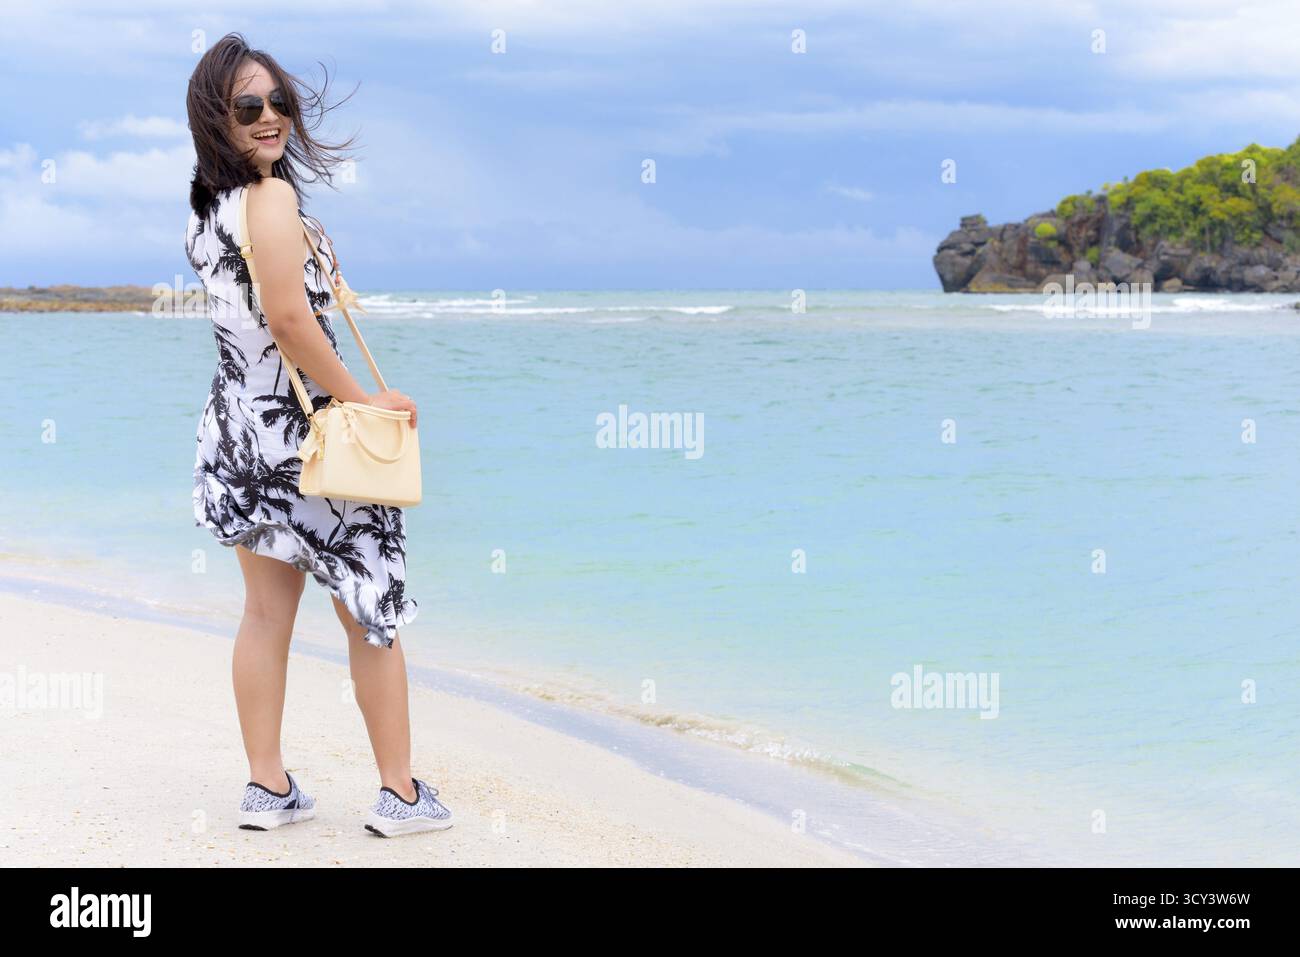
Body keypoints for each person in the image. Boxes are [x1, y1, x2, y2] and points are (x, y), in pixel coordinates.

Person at [184, 32, 451, 836]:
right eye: (248, 107)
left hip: (238, 433)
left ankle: (269, 788)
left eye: (279, 102)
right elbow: (293, 323)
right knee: (372, 609)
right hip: (306, 440)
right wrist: (365, 402)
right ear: (216, 119)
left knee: (266, 614)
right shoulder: (268, 200)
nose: (271, 118)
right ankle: (400, 794)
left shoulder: (208, 207)